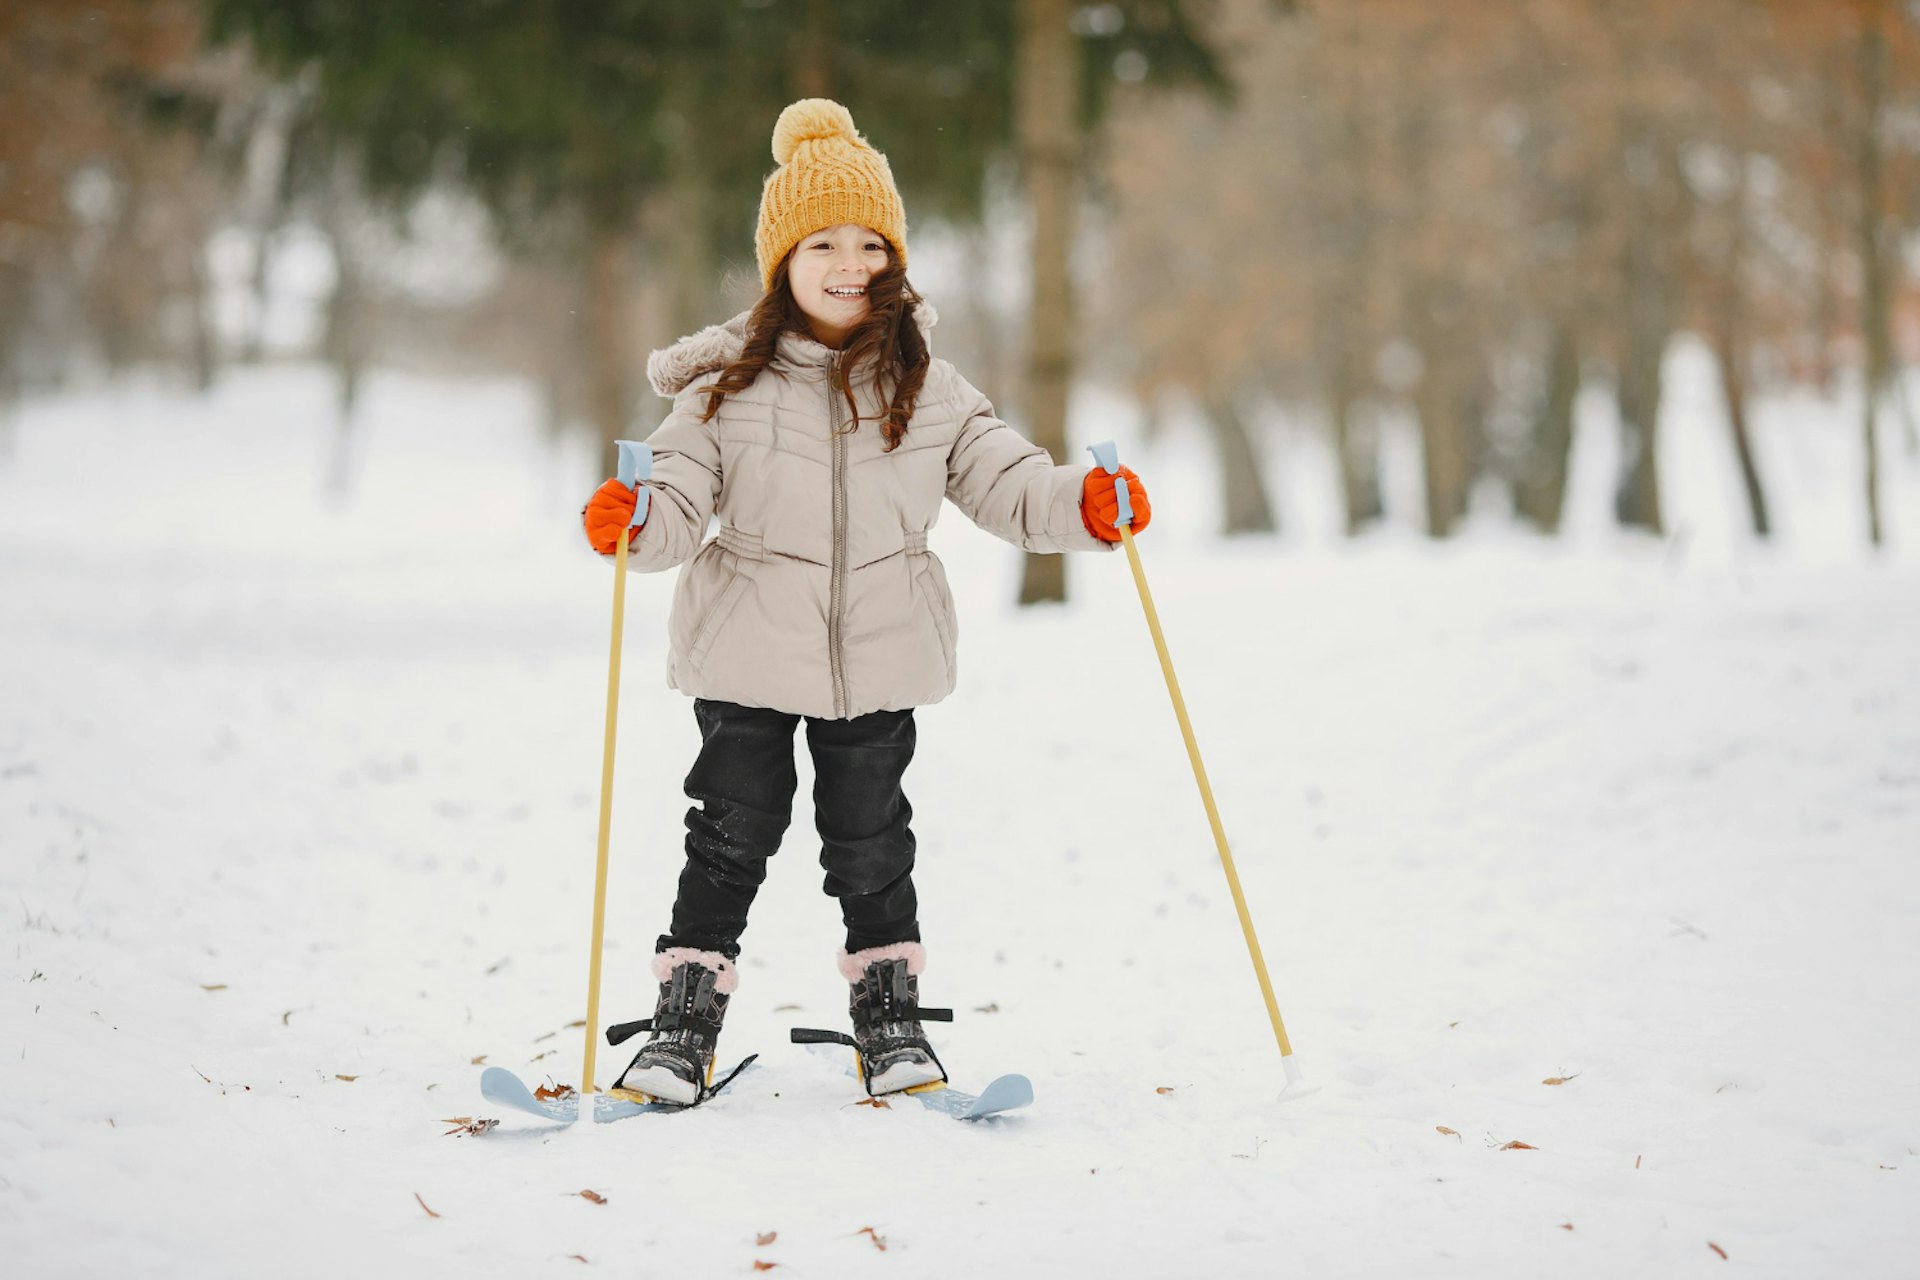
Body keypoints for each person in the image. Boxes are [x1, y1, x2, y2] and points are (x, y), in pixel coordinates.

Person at [579, 99, 1151, 1104]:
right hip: (748, 647)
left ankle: (888, 1013)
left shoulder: (927, 387)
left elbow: (1011, 485)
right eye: (824, 243)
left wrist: (1087, 505)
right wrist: (633, 519)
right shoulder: (721, 391)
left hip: (882, 648)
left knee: (872, 835)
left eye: (872, 243)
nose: (851, 264)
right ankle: (683, 1020)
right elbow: (672, 505)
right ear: (782, 260)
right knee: (730, 829)